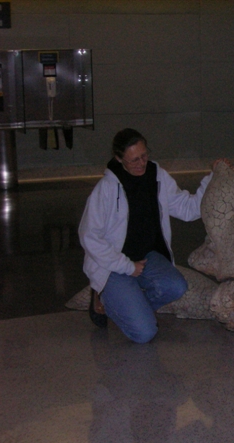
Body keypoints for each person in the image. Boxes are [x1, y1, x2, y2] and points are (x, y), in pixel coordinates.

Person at [79, 128, 224, 343]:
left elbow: (187, 209)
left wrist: (212, 178)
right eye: (134, 160)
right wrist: (127, 267)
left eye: (144, 156)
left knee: (176, 286)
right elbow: (89, 236)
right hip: (113, 265)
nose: (141, 163)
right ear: (119, 159)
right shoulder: (106, 189)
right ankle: (107, 297)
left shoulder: (158, 176)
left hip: (147, 257)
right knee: (145, 334)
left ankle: (128, 308)